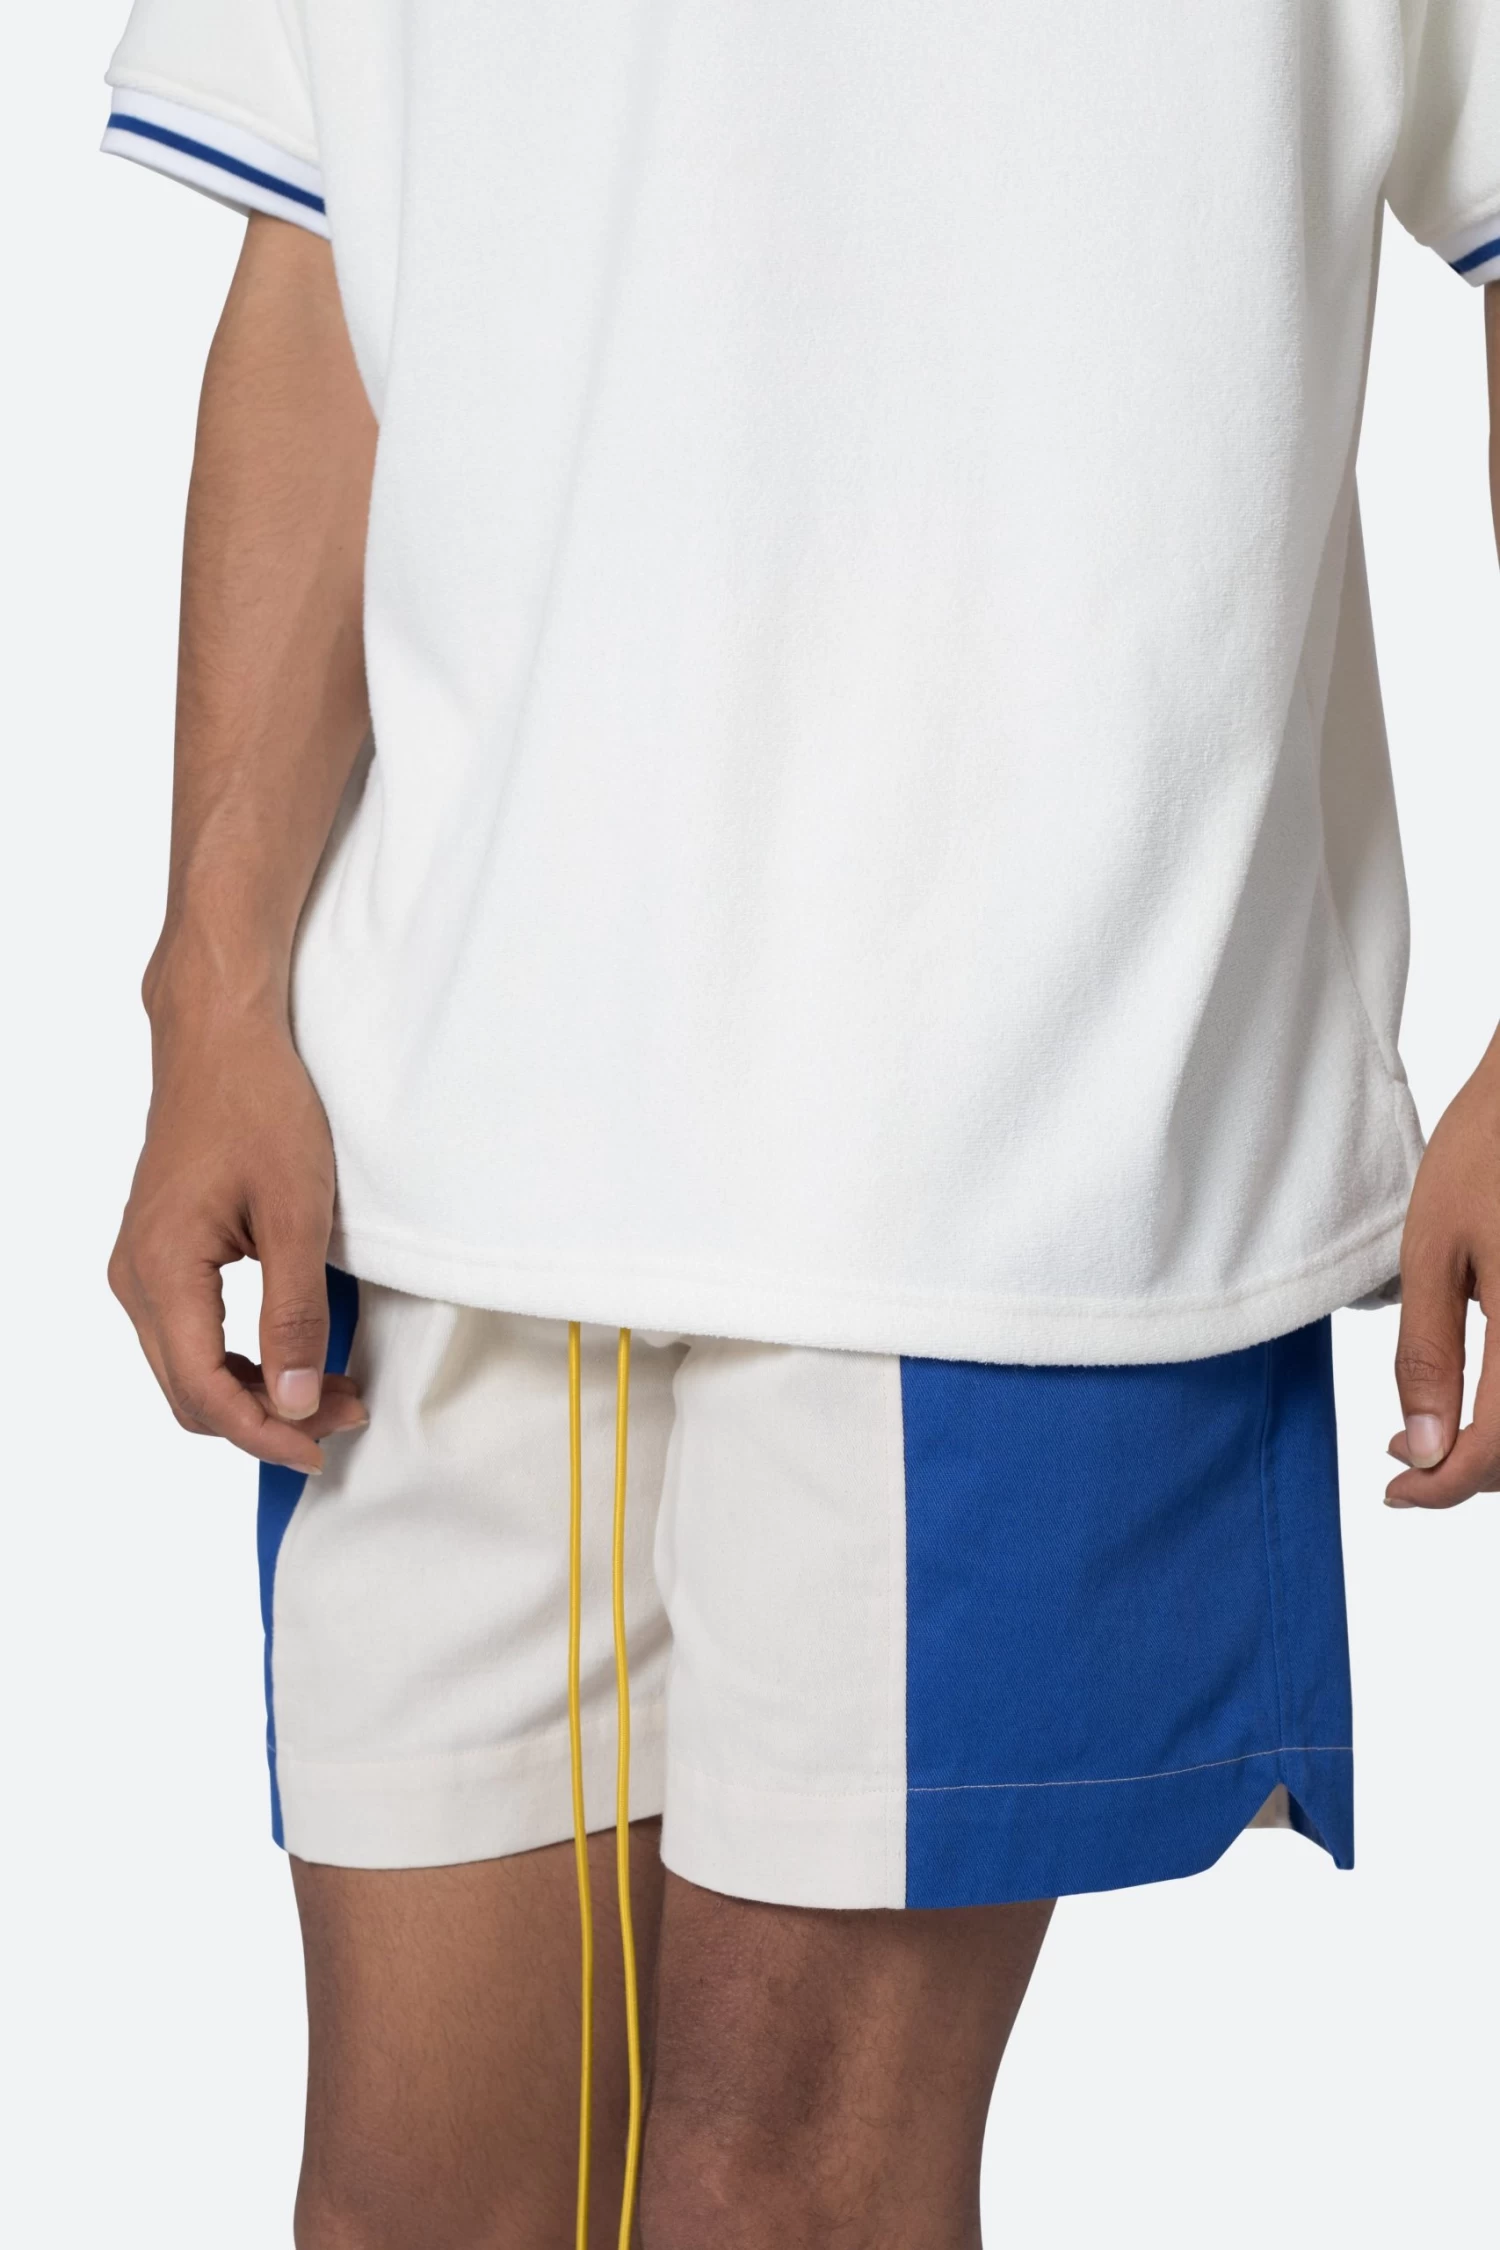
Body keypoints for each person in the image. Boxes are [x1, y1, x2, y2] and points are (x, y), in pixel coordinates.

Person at [102, 5, 1500, 2244]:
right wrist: (216, 983)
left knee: (784, 2201)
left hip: (1033, 1123)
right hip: (450, 1109)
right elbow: (338, 236)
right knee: (416, 2206)